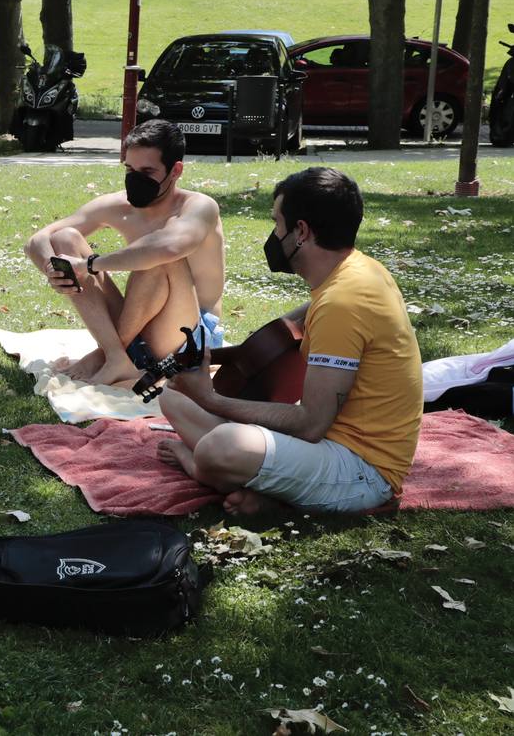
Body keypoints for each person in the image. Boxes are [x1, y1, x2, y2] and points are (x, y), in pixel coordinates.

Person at [157, 167, 421, 516]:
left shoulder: (343, 302)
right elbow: (305, 318)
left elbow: (311, 424)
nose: (274, 234)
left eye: (277, 223)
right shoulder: (361, 270)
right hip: (329, 446)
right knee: (173, 397)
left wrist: (209, 397)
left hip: (362, 472)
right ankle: (262, 489)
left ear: (301, 231)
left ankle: (208, 471)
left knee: (219, 446)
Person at [24, 119, 225, 386]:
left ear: (175, 171)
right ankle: (117, 356)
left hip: (189, 336)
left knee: (160, 258)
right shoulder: (119, 205)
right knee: (64, 238)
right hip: (140, 322)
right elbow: (38, 239)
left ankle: (107, 352)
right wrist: (53, 267)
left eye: (147, 171)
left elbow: (169, 247)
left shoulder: (198, 207)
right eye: (130, 168)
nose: (136, 178)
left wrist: (90, 264)